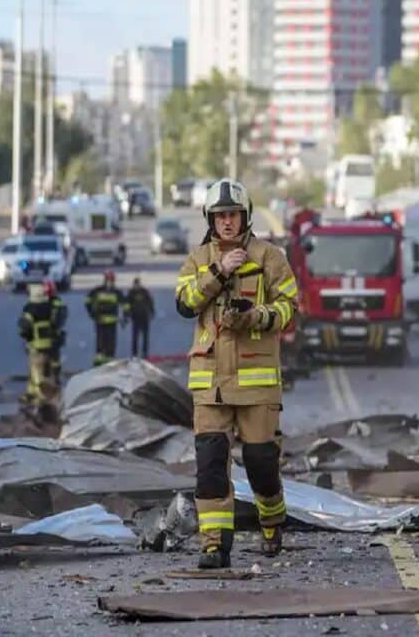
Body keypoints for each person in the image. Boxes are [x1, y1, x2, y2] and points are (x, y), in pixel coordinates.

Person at [175, 178, 298, 569]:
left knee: (262, 464)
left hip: (256, 380)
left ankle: (272, 520)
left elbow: (290, 308)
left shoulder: (269, 257)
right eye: (219, 215)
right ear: (210, 219)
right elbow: (185, 303)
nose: (227, 222)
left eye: (233, 215)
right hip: (210, 383)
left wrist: (256, 316)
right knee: (210, 465)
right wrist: (217, 271)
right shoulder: (198, 260)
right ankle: (214, 546)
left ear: (244, 216)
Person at [18, 282, 59, 421]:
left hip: (35, 345)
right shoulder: (48, 307)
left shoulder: (30, 308)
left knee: (37, 374)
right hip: (48, 344)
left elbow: (25, 326)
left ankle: (40, 402)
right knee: (43, 370)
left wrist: (25, 336)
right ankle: (32, 395)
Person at [85, 270, 126, 366]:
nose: (110, 282)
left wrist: (125, 317)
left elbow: (124, 305)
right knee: (103, 342)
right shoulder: (99, 290)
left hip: (108, 321)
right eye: (110, 280)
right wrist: (92, 313)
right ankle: (101, 363)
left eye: (111, 280)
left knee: (107, 343)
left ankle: (107, 362)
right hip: (102, 321)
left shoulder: (115, 292)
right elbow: (87, 301)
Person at [44, 279, 67, 384]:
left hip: (46, 335)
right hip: (54, 334)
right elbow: (63, 316)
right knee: (54, 357)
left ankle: (47, 377)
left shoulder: (42, 303)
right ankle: (55, 377)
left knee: (47, 357)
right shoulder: (58, 302)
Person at [127, 276, 155, 357]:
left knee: (145, 336)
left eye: (137, 284)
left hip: (144, 316)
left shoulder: (144, 291)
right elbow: (127, 304)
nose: (136, 286)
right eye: (135, 284)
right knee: (135, 336)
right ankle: (134, 353)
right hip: (135, 317)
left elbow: (150, 302)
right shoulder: (131, 293)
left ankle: (145, 352)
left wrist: (151, 312)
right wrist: (128, 314)